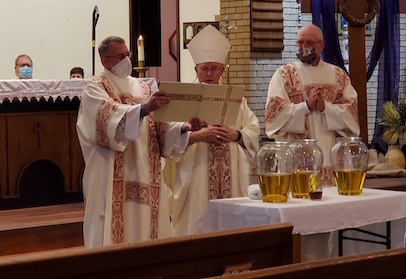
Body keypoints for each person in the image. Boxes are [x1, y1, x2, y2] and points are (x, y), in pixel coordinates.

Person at [76, 36, 201, 247]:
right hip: (110, 170)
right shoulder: (95, 86)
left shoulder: (143, 87)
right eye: (120, 56)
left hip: (145, 169)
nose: (127, 60)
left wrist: (182, 127)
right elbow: (107, 118)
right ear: (104, 60)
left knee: (145, 225)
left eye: (128, 55)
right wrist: (144, 108)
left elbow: (157, 126)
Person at [163, 26, 259, 237]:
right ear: (196, 69)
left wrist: (236, 135)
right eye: (204, 68)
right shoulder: (183, 97)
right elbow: (166, 136)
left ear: (222, 71)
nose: (209, 74)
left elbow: (252, 129)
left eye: (214, 69)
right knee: (197, 223)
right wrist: (197, 136)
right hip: (195, 175)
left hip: (230, 174)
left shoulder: (236, 99)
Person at [264, 24, 360, 181]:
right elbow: (273, 116)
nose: (303, 47)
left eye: (309, 43)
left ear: (321, 45)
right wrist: (306, 107)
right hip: (296, 161)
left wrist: (325, 108)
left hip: (331, 157)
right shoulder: (284, 75)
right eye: (300, 42)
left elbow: (352, 114)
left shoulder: (338, 75)